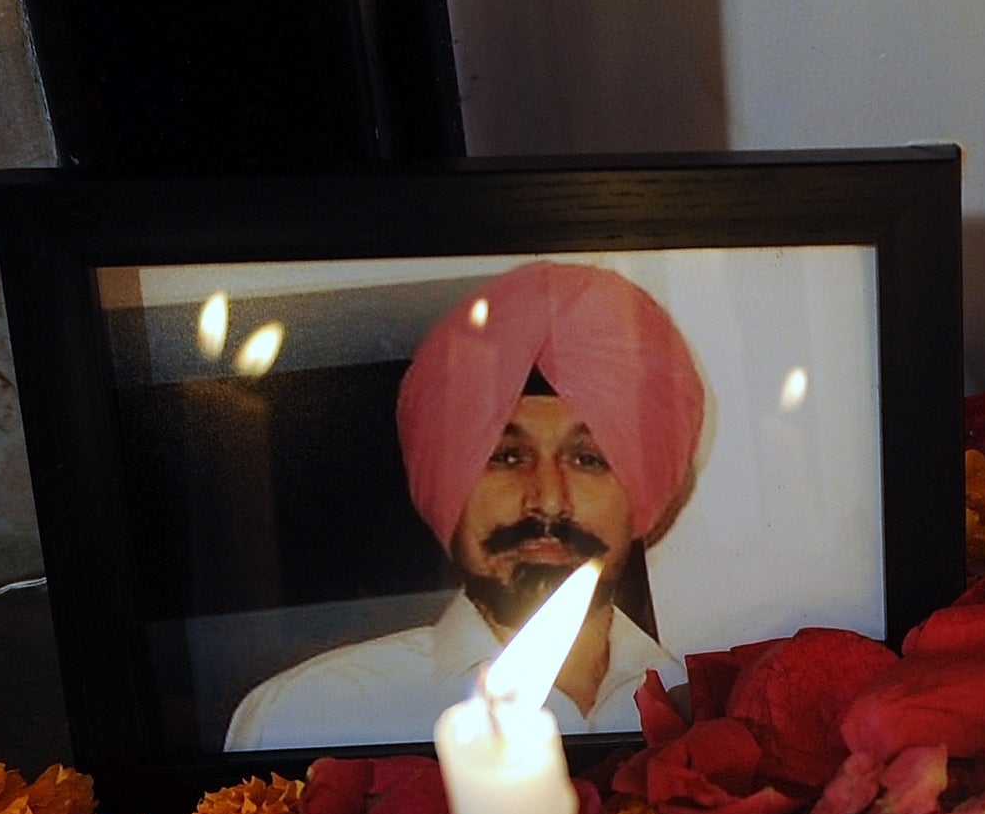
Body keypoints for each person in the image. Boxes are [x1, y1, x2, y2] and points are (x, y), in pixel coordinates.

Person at [225, 261, 709, 750]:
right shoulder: (313, 717)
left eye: (588, 459)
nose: (546, 499)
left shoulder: (708, 717)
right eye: (505, 456)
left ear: (643, 495)